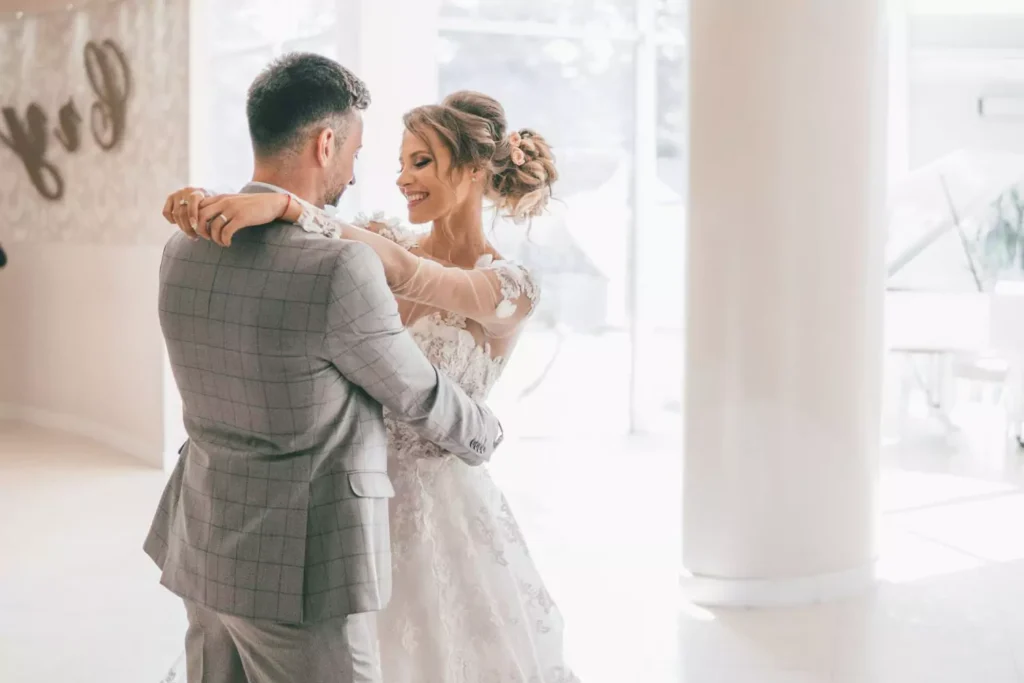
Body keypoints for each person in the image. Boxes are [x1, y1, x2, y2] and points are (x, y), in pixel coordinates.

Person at [164, 88, 579, 682]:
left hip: (437, 506)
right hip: (343, 496)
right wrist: (208, 204)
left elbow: (411, 276)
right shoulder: (380, 237)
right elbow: (307, 241)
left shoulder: (506, 288)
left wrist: (283, 205)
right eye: (400, 163)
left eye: (422, 162)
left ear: (472, 169)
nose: (402, 179)